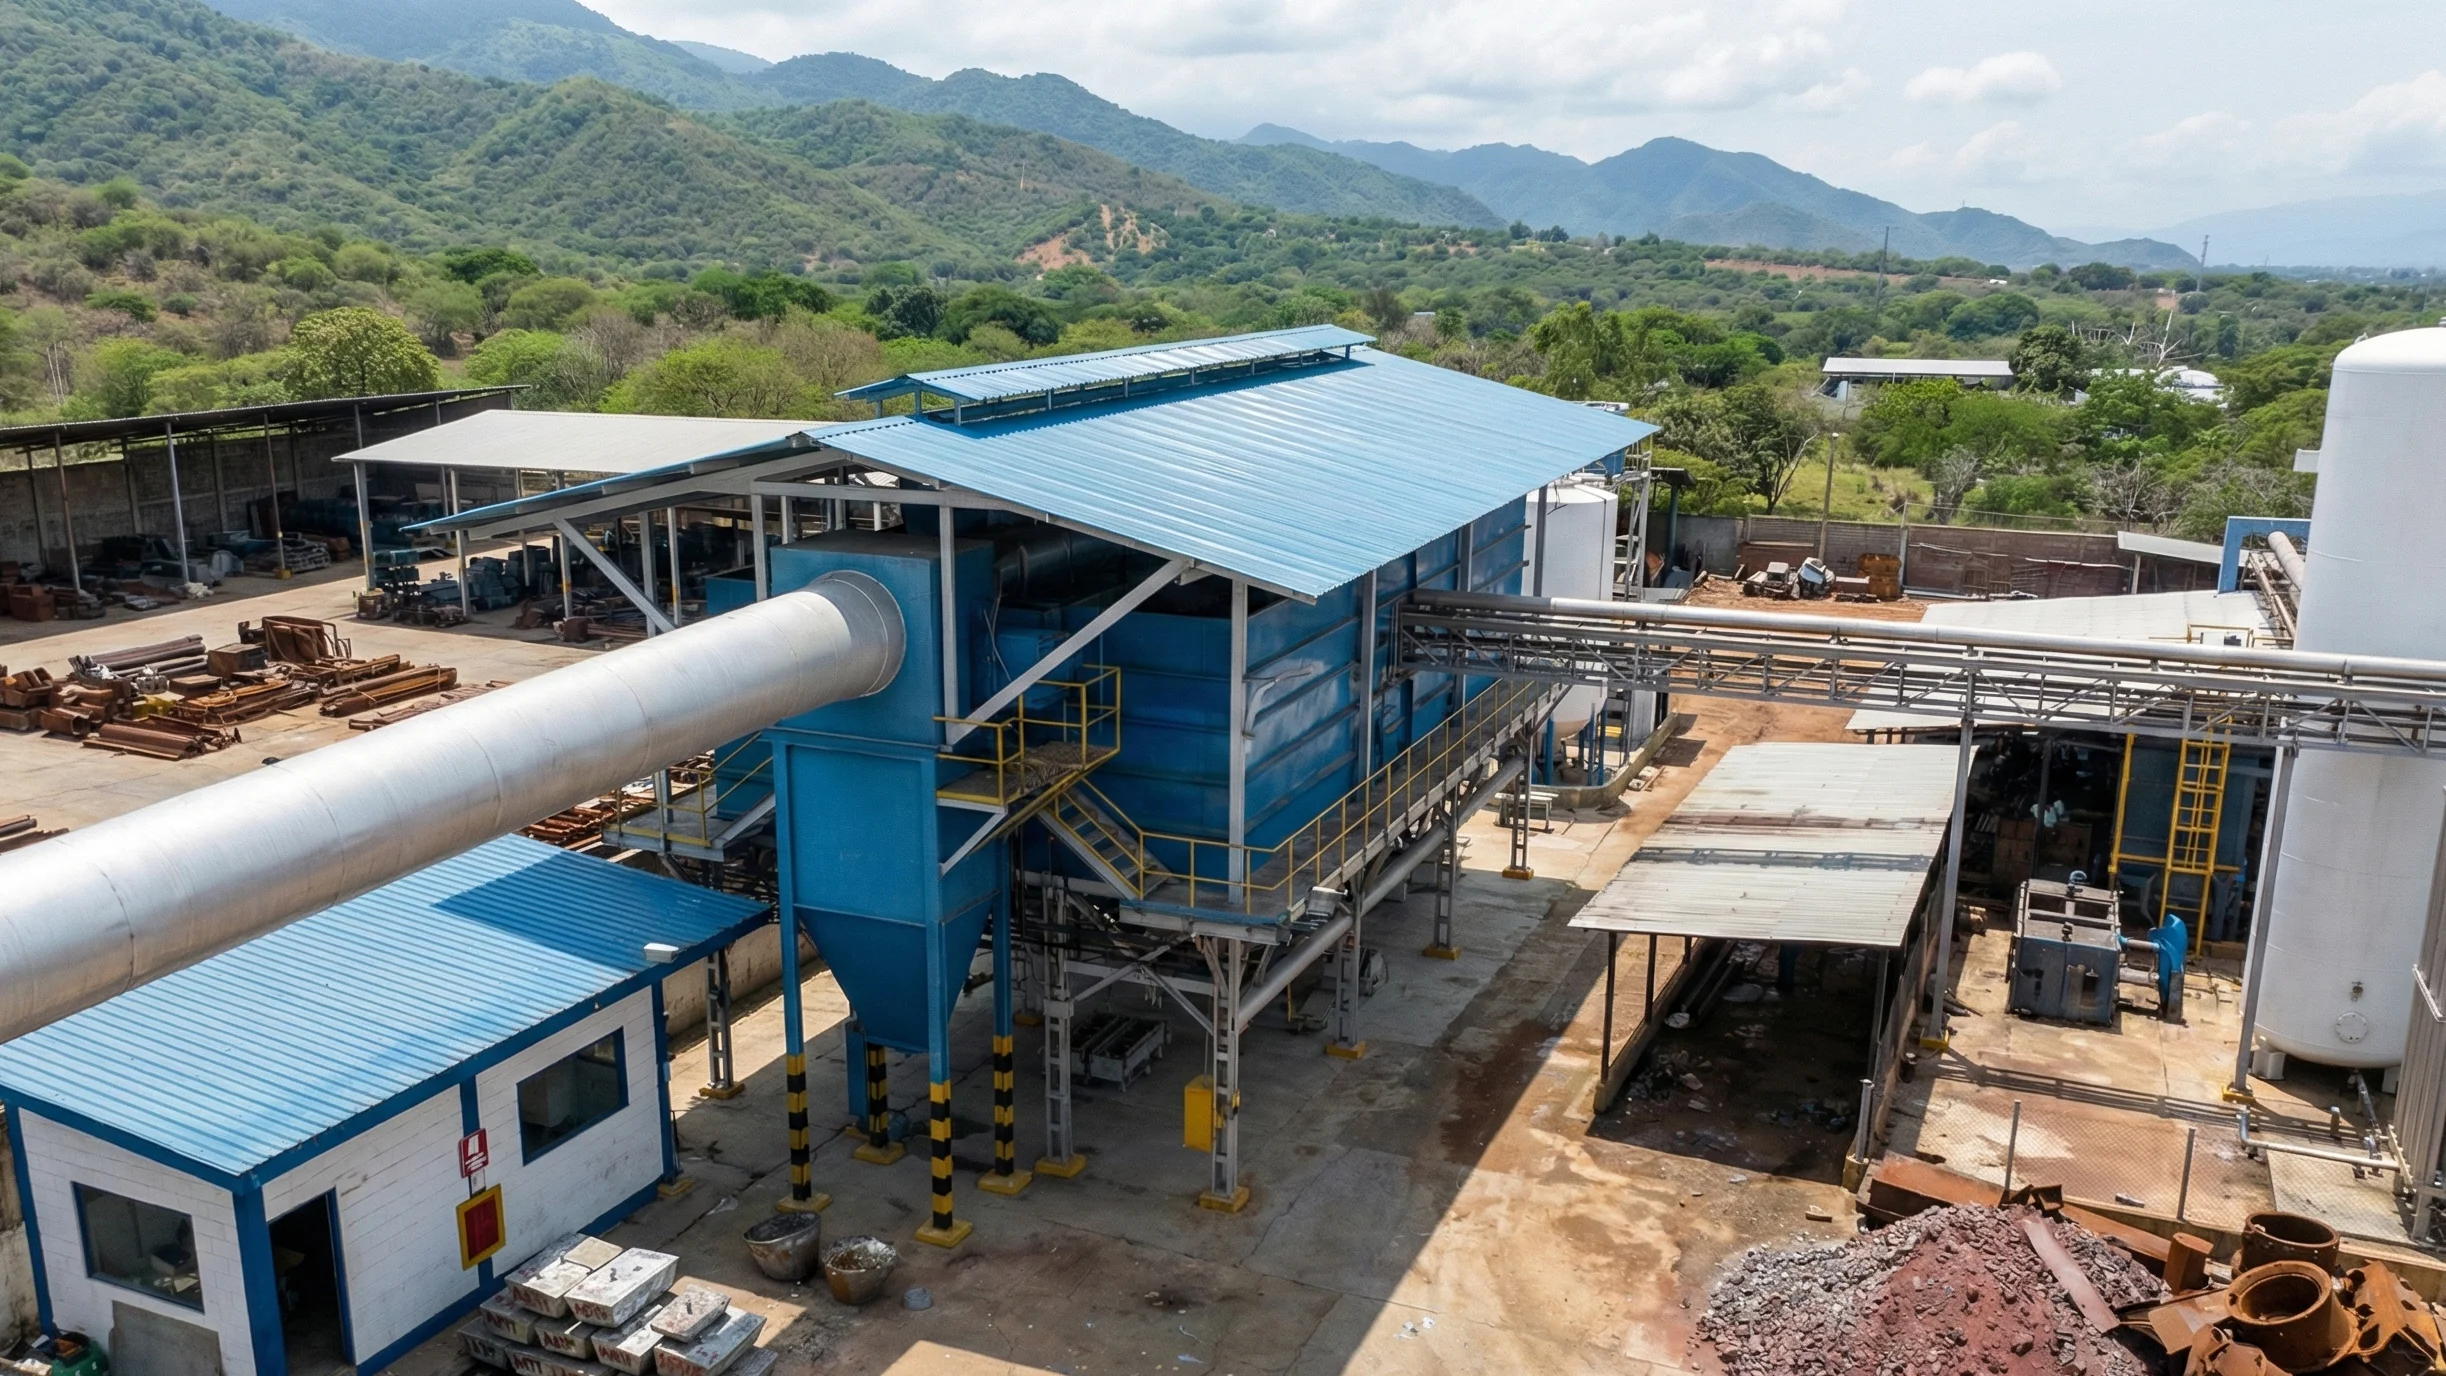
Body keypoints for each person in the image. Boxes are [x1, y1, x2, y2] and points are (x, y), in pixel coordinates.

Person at [2152, 911, 2189, 1021]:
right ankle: (2168, 1009)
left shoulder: (2171, 930)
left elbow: (2152, 935)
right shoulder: (2179, 927)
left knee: (2164, 979)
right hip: (2176, 964)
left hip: (2169, 966)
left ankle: (2166, 1007)